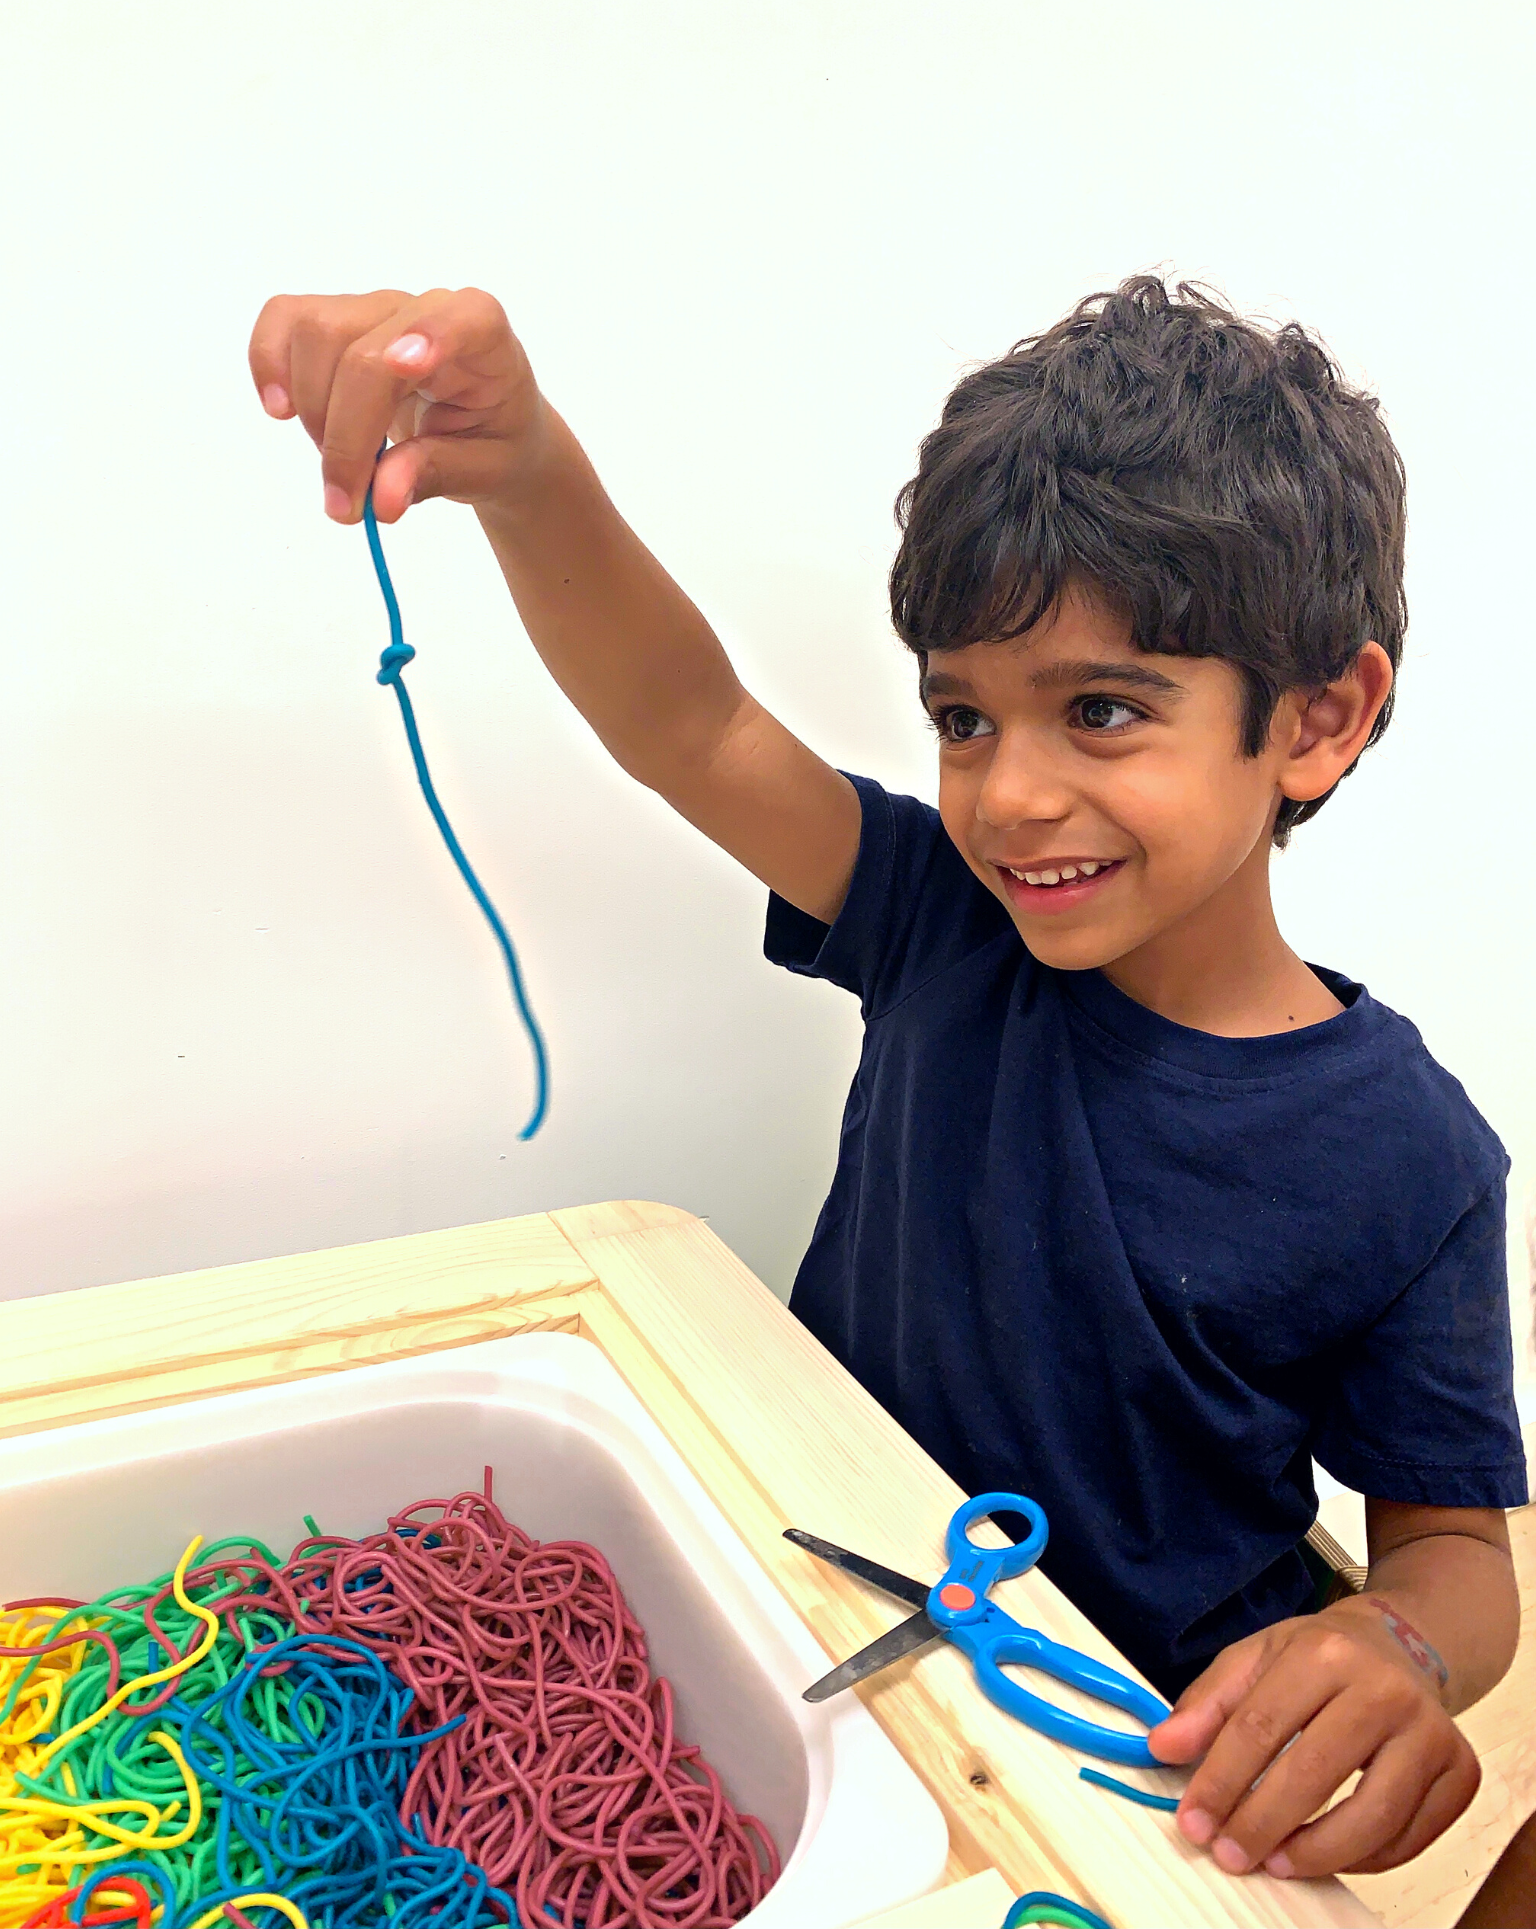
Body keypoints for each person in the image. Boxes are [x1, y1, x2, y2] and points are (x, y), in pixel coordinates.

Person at [248, 276, 1526, 1883]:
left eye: (1102, 712)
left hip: (1127, 1769)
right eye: (964, 718)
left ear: (1321, 721)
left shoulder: (1413, 1156)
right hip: (806, 1599)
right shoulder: (943, 918)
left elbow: (1456, 1551)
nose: (1010, 797)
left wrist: (1398, 1649)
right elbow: (689, 721)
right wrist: (527, 467)